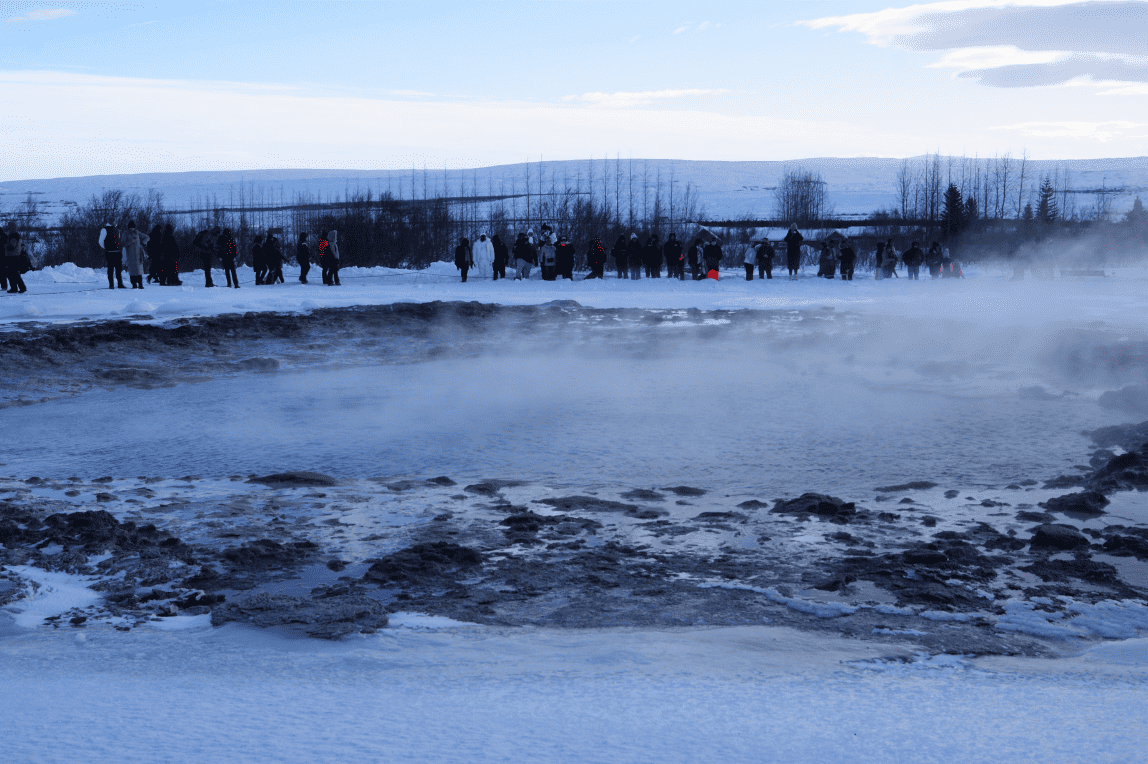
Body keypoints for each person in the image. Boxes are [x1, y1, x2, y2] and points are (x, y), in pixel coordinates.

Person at [121, 220, 149, 289]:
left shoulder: (138, 233)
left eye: (133, 227)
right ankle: (133, 284)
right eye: (130, 227)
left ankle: (140, 284)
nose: (132, 229)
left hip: (138, 254)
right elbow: (123, 243)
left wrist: (143, 242)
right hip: (130, 255)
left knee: (139, 271)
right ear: (128, 228)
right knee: (132, 271)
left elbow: (147, 237)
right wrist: (131, 241)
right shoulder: (125, 234)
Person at [99, 222, 126, 289]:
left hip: (117, 252)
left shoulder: (117, 230)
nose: (114, 223)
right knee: (110, 269)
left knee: (118, 269)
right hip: (109, 252)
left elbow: (119, 240)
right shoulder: (104, 229)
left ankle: (120, 284)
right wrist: (106, 248)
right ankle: (111, 284)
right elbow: (100, 241)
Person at [4, 222, 27, 293]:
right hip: (13, 256)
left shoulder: (13, 235)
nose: (8, 228)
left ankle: (18, 288)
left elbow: (12, 246)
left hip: (12, 257)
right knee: (13, 273)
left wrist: (5, 246)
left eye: (9, 227)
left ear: (11, 227)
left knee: (12, 273)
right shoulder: (15, 235)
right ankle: (16, 288)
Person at [0, 224, 8, 292]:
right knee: (2, 272)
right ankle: (4, 286)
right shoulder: (5, 236)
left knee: (2, 272)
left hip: (3, 256)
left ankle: (4, 286)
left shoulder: (4, 236)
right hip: (4, 256)